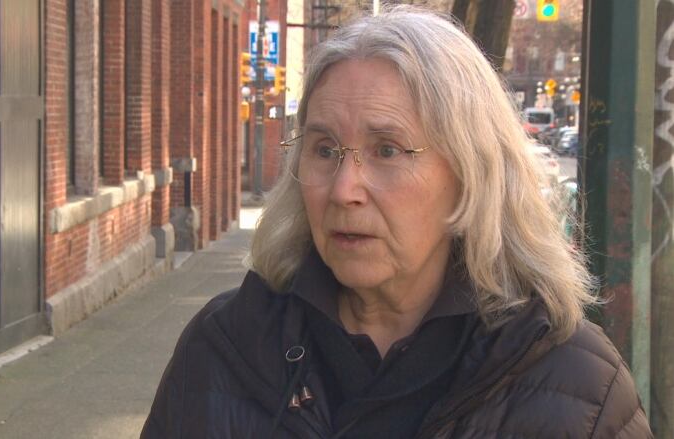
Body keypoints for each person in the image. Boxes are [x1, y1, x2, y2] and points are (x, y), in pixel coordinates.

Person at [140, 6, 652, 438]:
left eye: (387, 150)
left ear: (470, 174)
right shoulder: (222, 347)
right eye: (324, 150)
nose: (343, 189)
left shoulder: (578, 387)